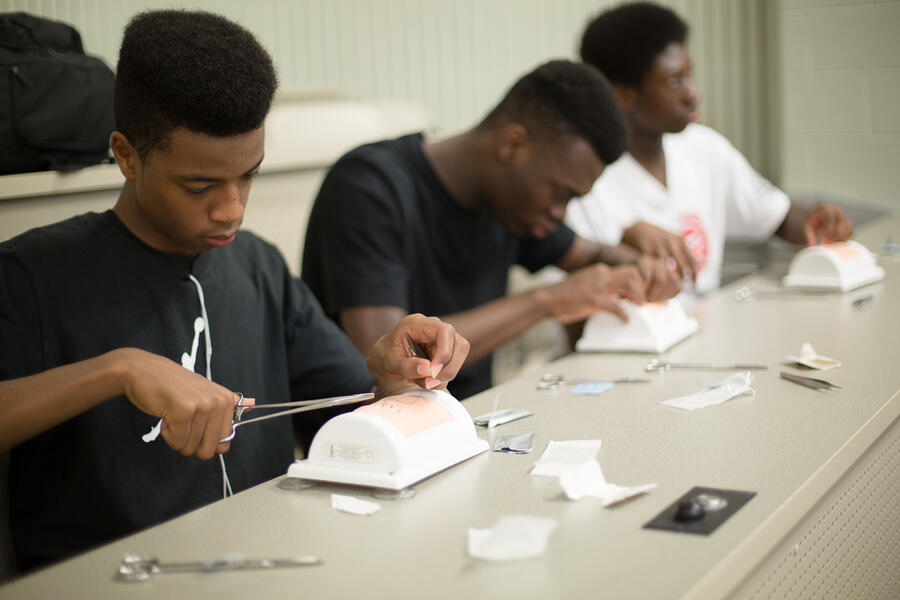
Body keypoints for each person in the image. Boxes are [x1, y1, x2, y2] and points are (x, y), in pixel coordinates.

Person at [0, 10, 468, 572]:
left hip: (267, 569)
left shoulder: (258, 266)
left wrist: (393, 382)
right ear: (126, 155)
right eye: (199, 186)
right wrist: (117, 370)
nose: (232, 209)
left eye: (248, 175)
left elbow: (350, 415)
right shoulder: (32, 274)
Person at [302, 60, 681, 400]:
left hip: (468, 424)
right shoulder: (369, 187)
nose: (558, 213)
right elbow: (391, 360)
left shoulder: (511, 205)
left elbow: (591, 254)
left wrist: (638, 262)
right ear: (513, 144)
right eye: (559, 194)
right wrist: (546, 301)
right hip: (370, 448)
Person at [569, 2, 854, 294]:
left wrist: (815, 221)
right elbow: (579, 300)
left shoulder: (703, 147)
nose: (693, 94)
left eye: (689, 76)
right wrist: (623, 249)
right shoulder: (585, 179)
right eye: (674, 81)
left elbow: (775, 216)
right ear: (624, 95)